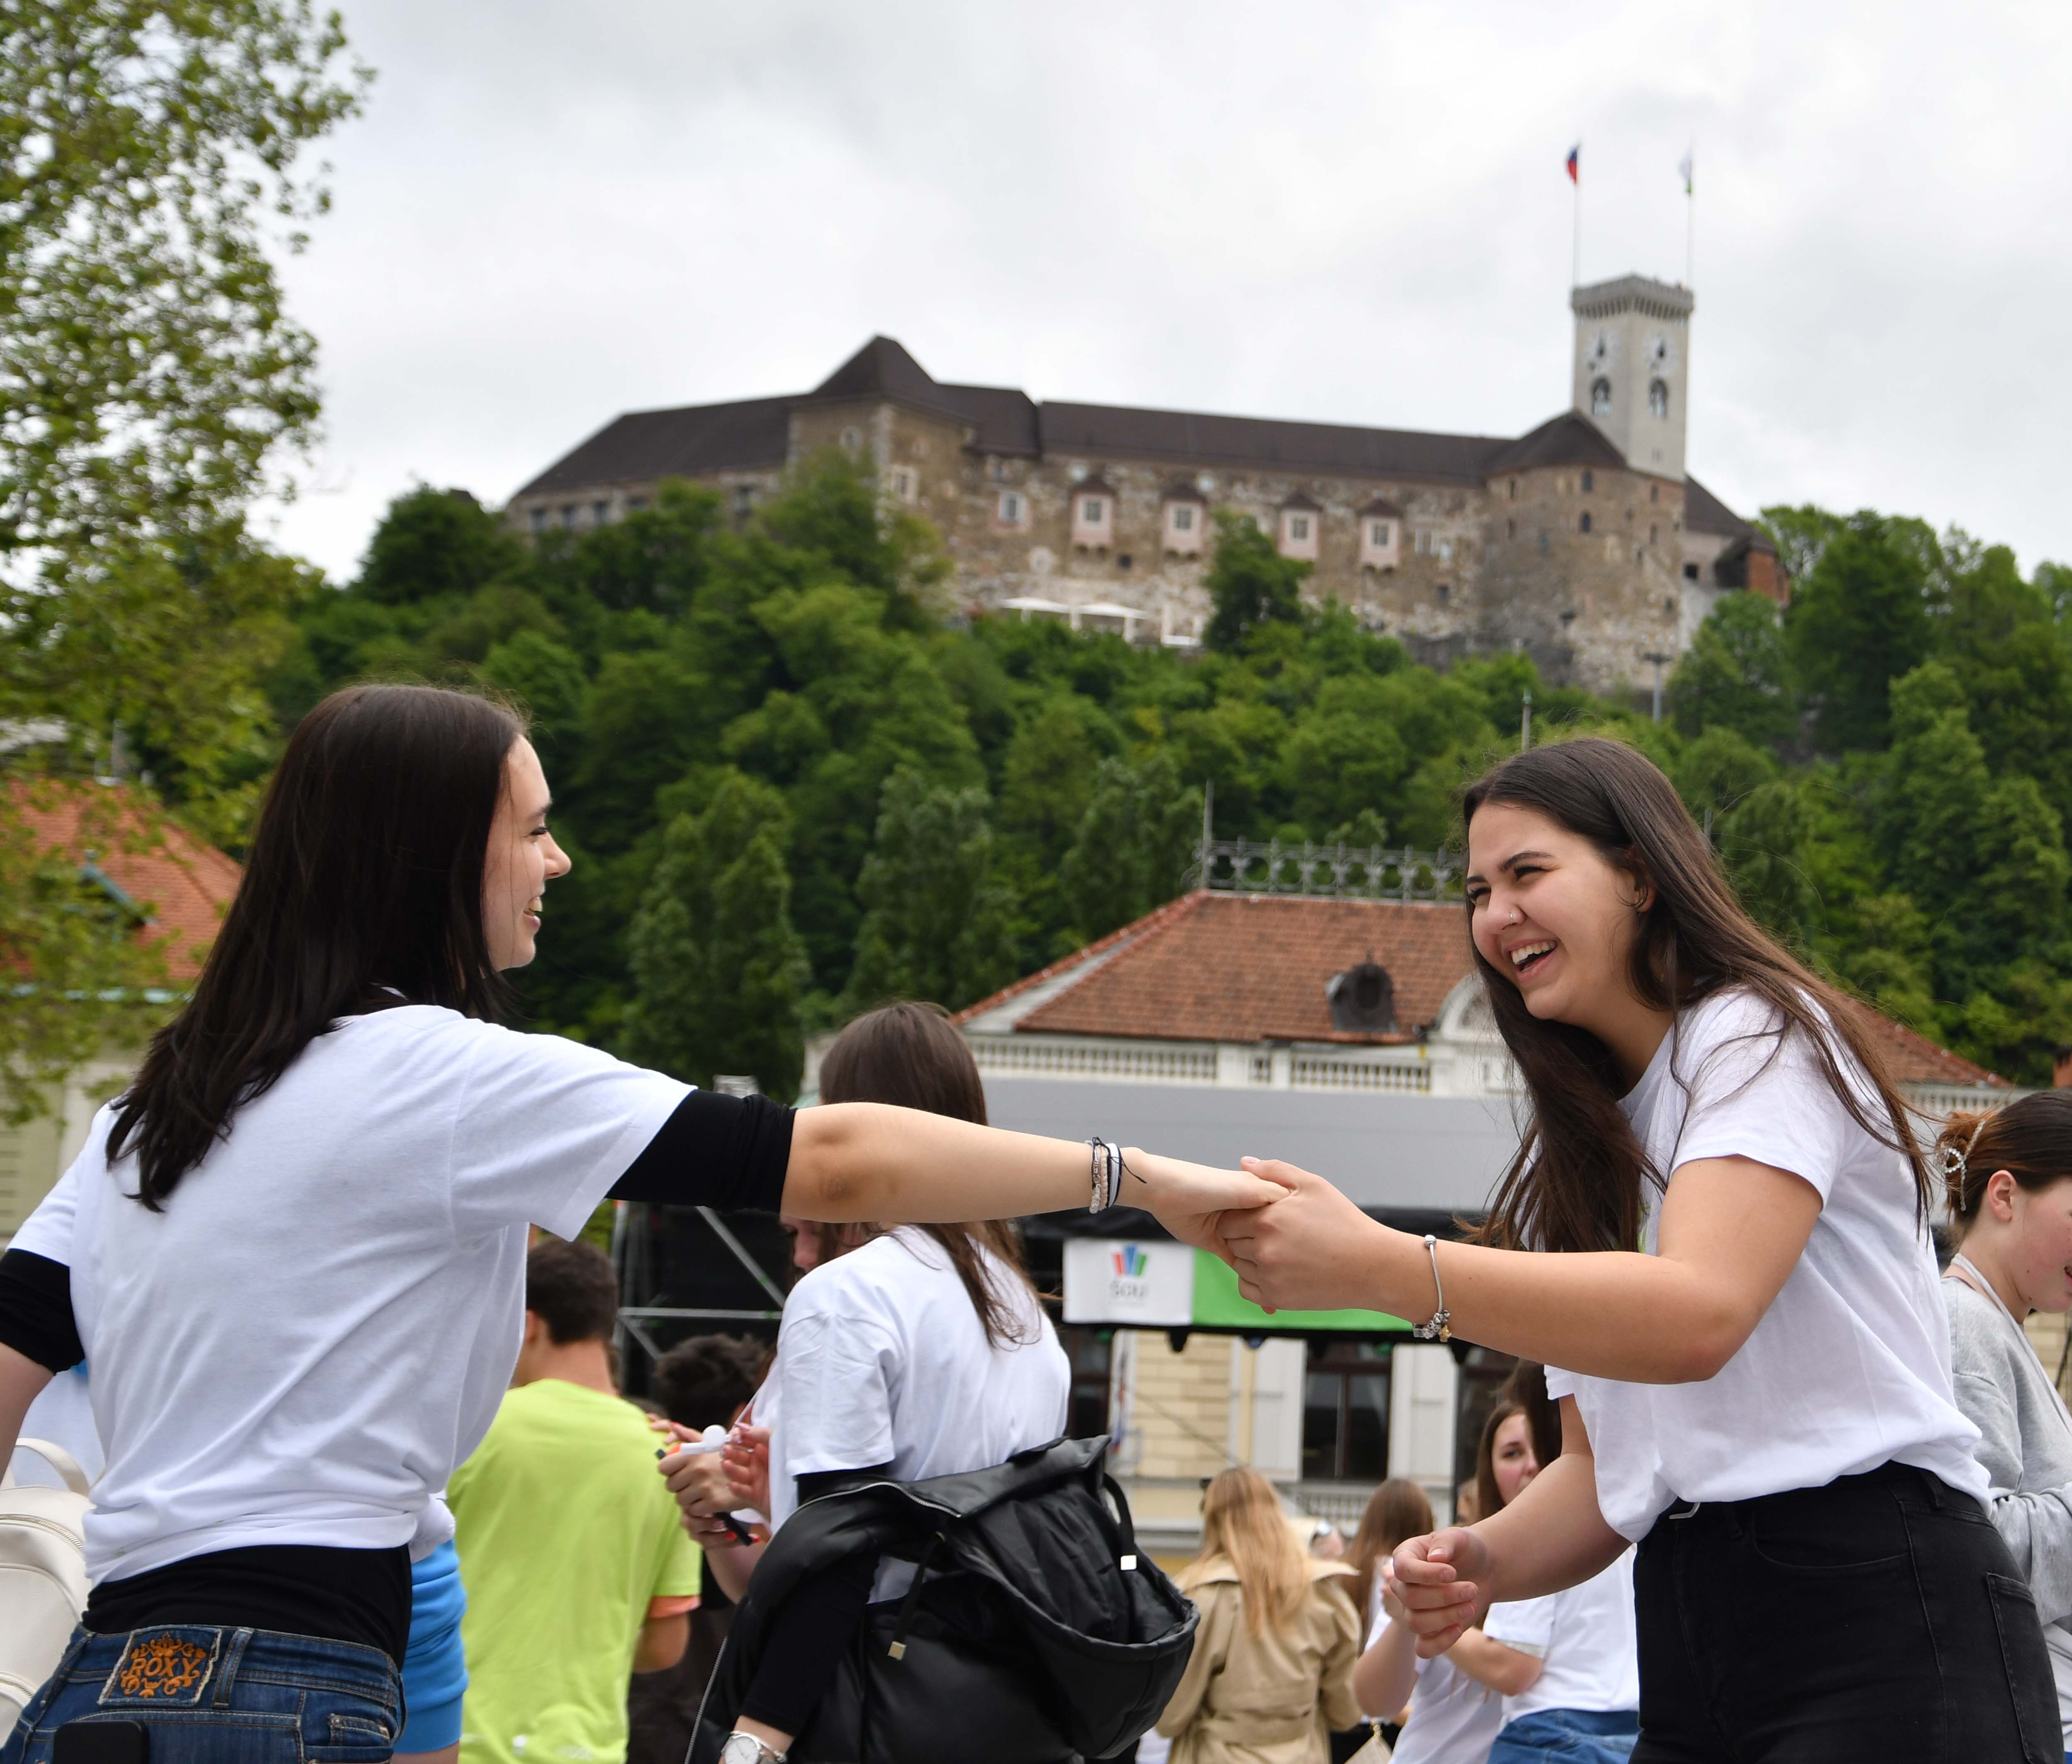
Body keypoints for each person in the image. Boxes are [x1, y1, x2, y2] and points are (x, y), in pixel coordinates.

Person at [0, 683, 1280, 1762]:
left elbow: (9, 1360)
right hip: (292, 1664)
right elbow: (824, 1154)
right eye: (535, 828)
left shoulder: (148, 1111)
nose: (557, 861)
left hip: (104, 1669)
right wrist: (1139, 1176)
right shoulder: (435, 1075)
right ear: (440, 853)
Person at [1220, 734, 2059, 1759]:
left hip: (1880, 1610)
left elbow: (1697, 1313)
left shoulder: (1755, 1038)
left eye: (1528, 873)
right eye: (1478, 891)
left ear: (1643, 874)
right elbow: (1605, 1476)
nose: (1496, 916)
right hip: (1693, 1626)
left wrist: (1379, 1266)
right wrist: (1478, 1561)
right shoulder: (1590, 1151)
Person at [660, 1000, 1073, 1762]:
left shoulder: (849, 1297)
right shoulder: (1027, 1317)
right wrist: (759, 1504)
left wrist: (757, 1741)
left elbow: (839, 1554)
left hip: (867, 1700)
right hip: (999, 1698)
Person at [445, 1237, 699, 1764]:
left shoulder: (469, 1429)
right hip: (586, 1746)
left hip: (452, 1738)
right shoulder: (669, 1453)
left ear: (529, 1323)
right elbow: (665, 1644)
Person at [1935, 1098, 2072, 1760]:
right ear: (2005, 1195)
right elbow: (1975, 1541)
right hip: (2035, 1722)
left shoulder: (1992, 1324)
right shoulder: (1966, 1325)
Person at [1354, 1404, 1532, 1764]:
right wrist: (1416, 1615)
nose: (1532, 1465)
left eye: (1545, 1447)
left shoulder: (1609, 1556)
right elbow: (1375, 1700)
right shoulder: (1451, 1560)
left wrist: (1435, 1614)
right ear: (1490, 1471)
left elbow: (1514, 1668)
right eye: (1513, 1453)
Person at [1156, 1466, 1364, 1764]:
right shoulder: (1325, 1595)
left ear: (1212, 1519)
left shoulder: (1200, 1596)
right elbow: (1345, 1713)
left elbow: (1170, 1717)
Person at [627, 1335, 767, 1764]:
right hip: (714, 1712)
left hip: (636, 1705)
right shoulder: (757, 1504)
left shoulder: (640, 1464)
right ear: (736, 1414)